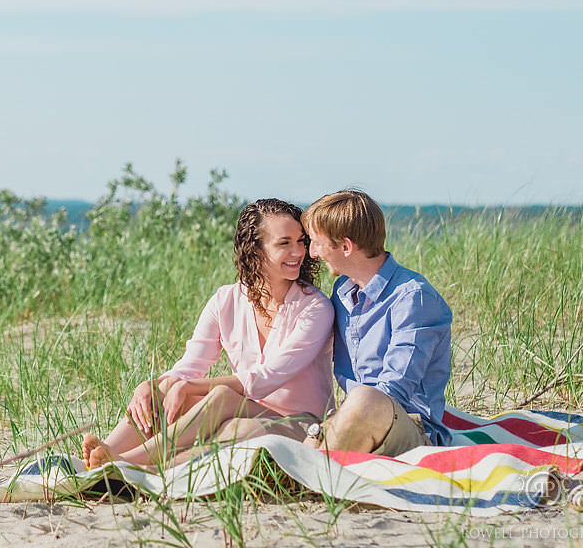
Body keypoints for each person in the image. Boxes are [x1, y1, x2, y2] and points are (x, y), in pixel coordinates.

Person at [83, 198, 335, 470]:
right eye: (284, 243)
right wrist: (151, 385)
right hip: (242, 411)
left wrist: (190, 387)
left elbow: (266, 379)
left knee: (222, 400)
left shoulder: (316, 308)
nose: (298, 251)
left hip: (301, 425)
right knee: (164, 390)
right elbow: (190, 367)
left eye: (301, 241)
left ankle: (129, 463)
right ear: (255, 249)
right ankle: (107, 451)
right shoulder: (225, 300)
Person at [299, 189, 452, 456]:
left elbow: (395, 391)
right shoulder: (343, 292)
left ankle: (311, 473)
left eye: (316, 243)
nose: (312, 253)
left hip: (412, 428)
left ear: (346, 247)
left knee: (364, 397)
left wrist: (329, 427)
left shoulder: (413, 297)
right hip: (358, 419)